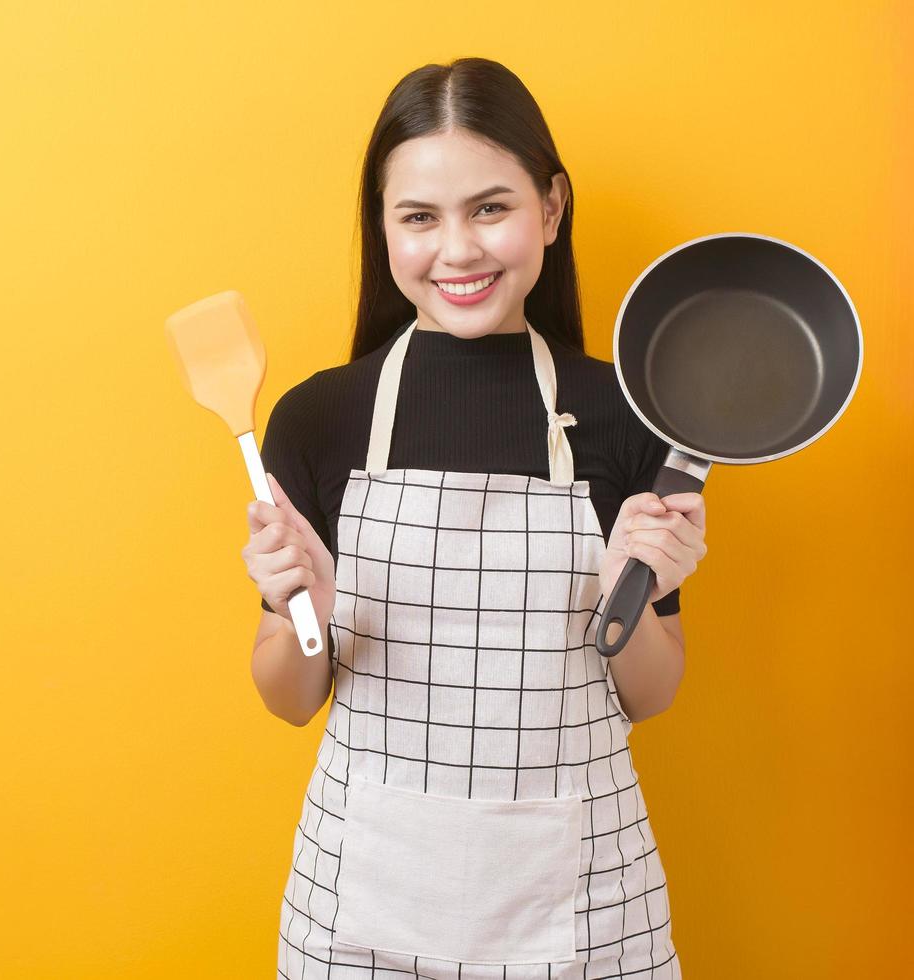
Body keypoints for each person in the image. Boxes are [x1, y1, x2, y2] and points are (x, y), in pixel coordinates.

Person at [241, 58, 706, 979]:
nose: (457, 251)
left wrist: (631, 588)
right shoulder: (317, 418)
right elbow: (288, 700)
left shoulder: (625, 415)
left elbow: (650, 695)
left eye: (490, 208)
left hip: (584, 906)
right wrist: (310, 614)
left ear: (553, 208)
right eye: (420, 217)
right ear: (383, 229)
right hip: (357, 909)